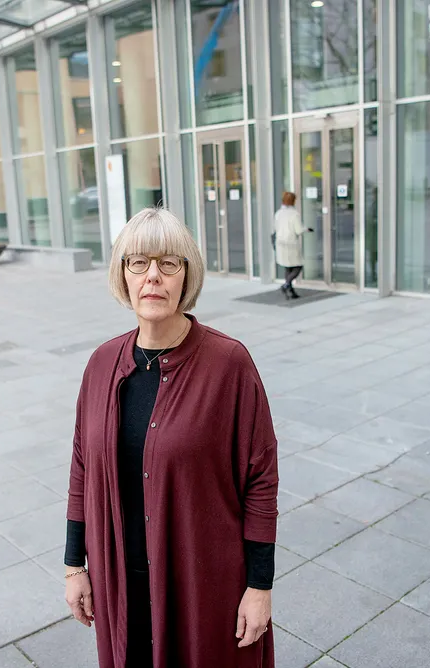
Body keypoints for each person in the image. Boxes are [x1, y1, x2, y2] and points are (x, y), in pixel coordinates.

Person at [64, 208, 279, 668]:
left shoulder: (228, 364)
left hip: (202, 583)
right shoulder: (101, 364)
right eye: (138, 263)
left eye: (168, 263)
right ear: (123, 274)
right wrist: (74, 566)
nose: (153, 277)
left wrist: (260, 587)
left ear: (187, 275)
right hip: (121, 582)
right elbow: (82, 468)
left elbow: (261, 479)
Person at [273, 192, 311, 299]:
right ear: (293, 201)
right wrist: (306, 229)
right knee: (298, 266)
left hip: (280, 243)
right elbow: (298, 230)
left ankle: (290, 291)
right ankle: (286, 285)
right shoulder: (294, 214)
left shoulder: (278, 213)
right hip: (291, 243)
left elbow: (275, 227)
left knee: (288, 267)